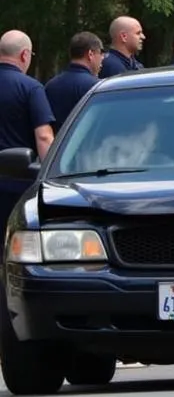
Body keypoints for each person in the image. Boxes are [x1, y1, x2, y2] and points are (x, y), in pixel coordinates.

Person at [0, 30, 55, 243]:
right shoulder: (31, 88)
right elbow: (43, 137)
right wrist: (52, 174)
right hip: (17, 183)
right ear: (24, 55)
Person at [44, 31, 103, 132]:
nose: (102, 58)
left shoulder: (50, 85)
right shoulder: (97, 87)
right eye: (101, 53)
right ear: (90, 54)